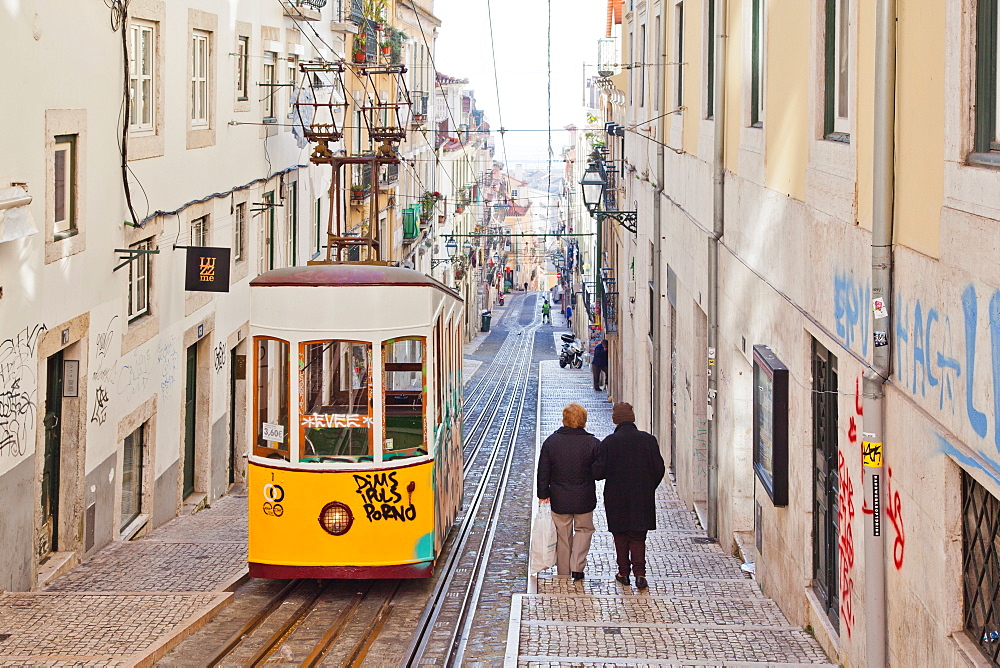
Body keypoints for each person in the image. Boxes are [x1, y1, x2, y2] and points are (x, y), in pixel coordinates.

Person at [593, 402, 665, 589]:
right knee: (638, 536)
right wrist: (648, 487)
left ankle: (623, 573)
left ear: (615, 419)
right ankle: (640, 575)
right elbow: (659, 469)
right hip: (642, 496)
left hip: (616, 497)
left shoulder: (609, 442)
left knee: (621, 534)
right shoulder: (648, 440)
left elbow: (598, 473)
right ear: (632, 418)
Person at [537, 403, 601, 580]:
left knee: (563, 536)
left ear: (564, 420)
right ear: (583, 421)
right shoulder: (593, 443)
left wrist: (543, 494)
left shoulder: (552, 442)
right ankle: (577, 567)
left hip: (559, 498)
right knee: (584, 530)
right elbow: (598, 472)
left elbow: (543, 470)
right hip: (584, 498)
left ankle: (563, 572)